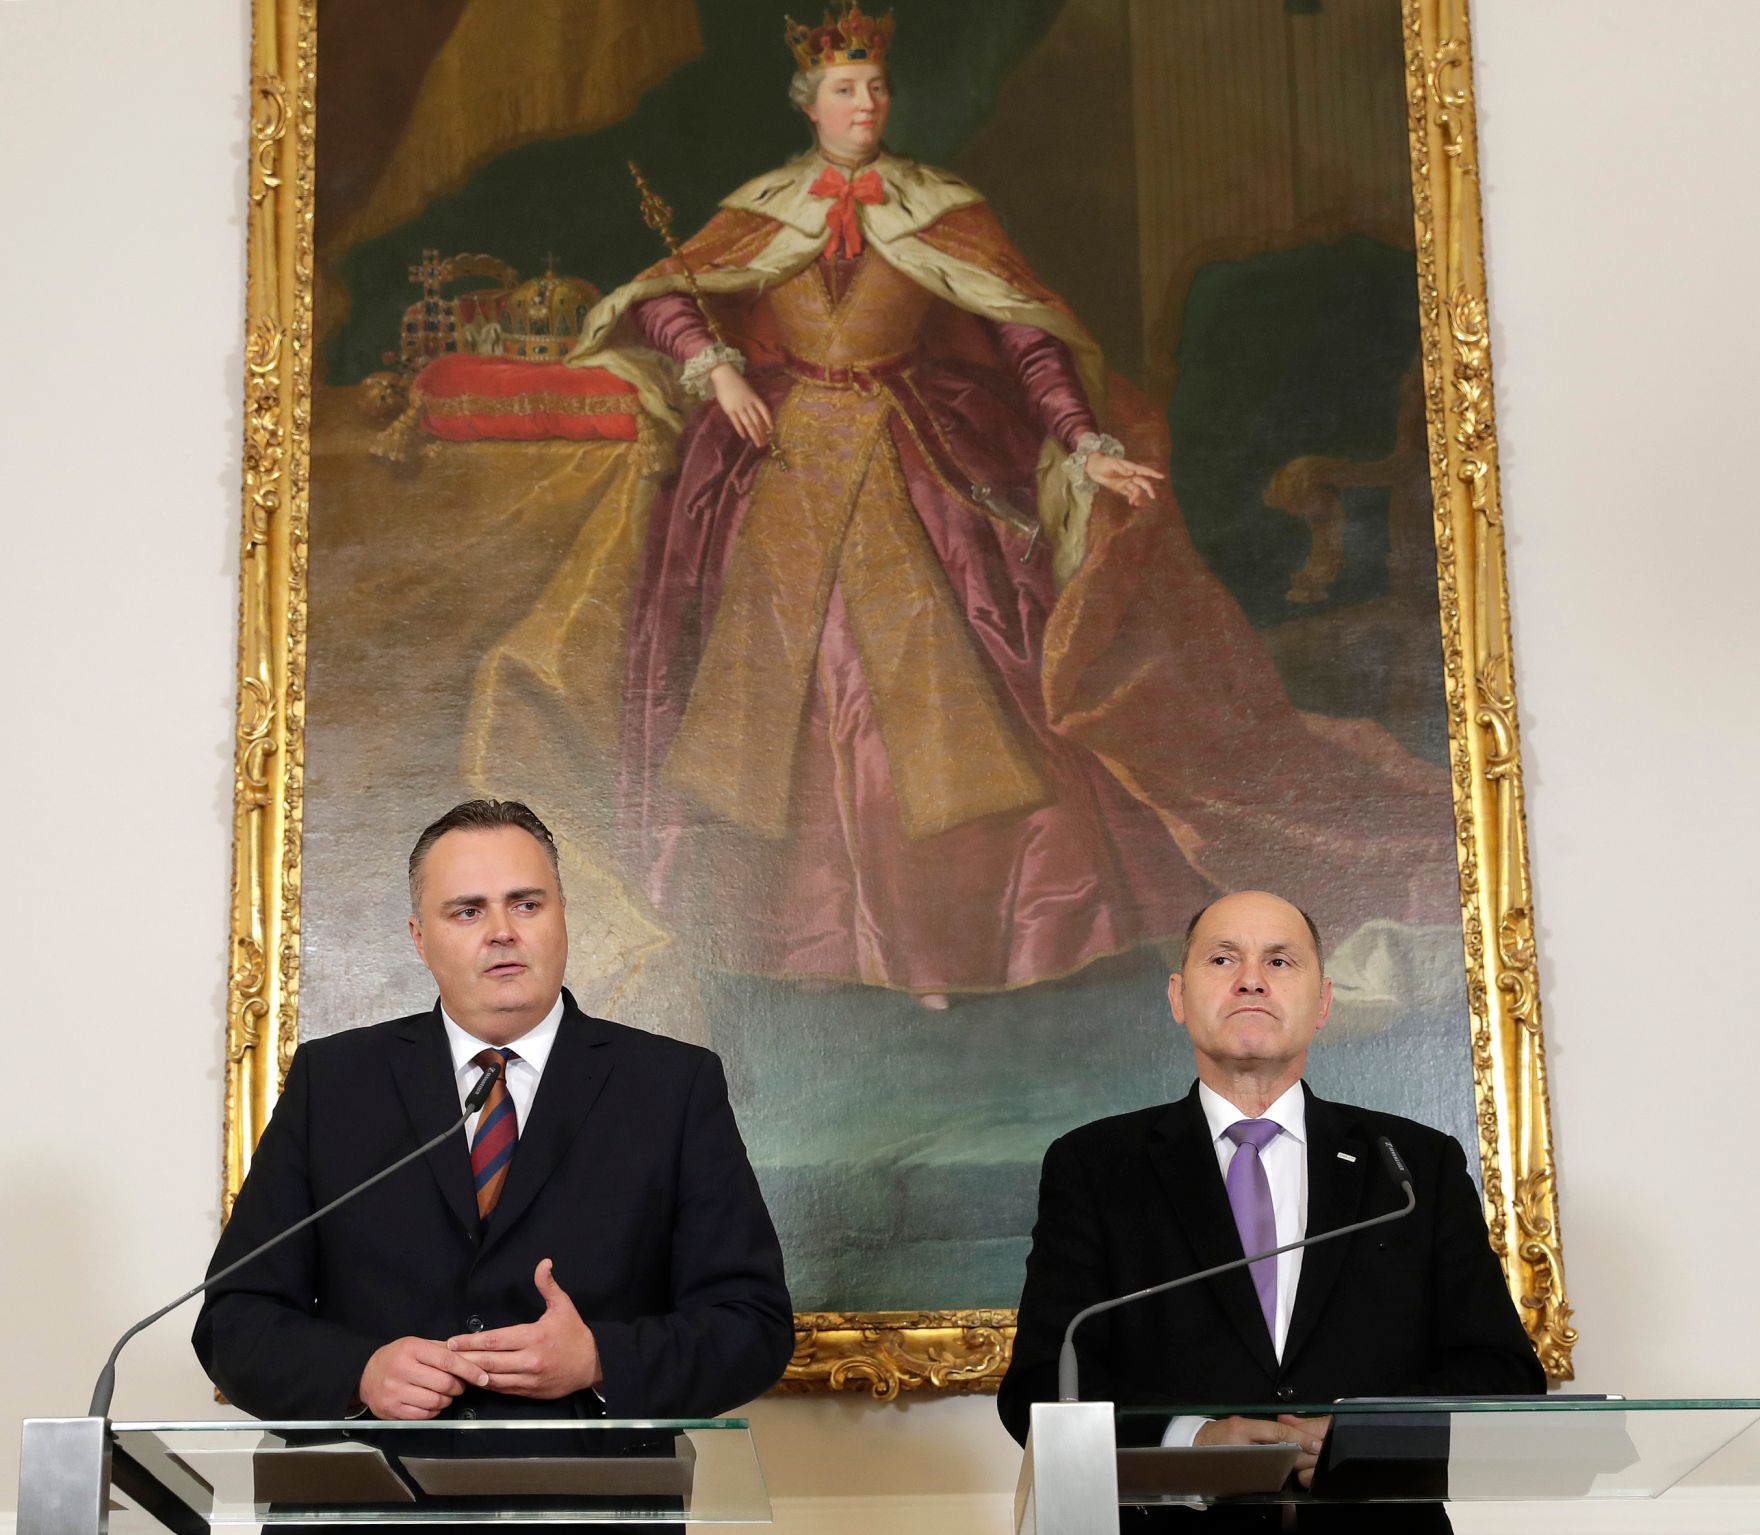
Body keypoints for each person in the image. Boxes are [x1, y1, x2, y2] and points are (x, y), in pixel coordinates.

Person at [517, 3, 1456, 1009]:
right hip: (776, 468)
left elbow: (1027, 339)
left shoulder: (940, 205)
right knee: (783, 688)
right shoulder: (763, 205)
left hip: (914, 461)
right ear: (810, 104)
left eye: (875, 87)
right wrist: (714, 366)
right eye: (845, 88)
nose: (864, 102)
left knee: (940, 687)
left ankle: (945, 941)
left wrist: (1085, 440)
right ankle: (793, 937)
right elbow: (666, 294)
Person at [193, 798, 793, 1444]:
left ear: (563, 918)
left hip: (593, 1503)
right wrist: (360, 1373)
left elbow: (751, 1324)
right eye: (468, 910)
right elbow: (235, 1317)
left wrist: (598, 1359)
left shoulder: (672, 1086)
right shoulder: (335, 1083)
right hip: (366, 1498)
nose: (502, 930)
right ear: (420, 937)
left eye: (527, 904)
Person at [997, 890, 1545, 1531]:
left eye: (1281, 962)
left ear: (1323, 1003)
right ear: (1178, 997)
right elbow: (1042, 1383)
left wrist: (1362, 1434)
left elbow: (1501, 1371)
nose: (1252, 980)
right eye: (1223, 960)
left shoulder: (1413, 1164)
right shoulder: (1094, 1165)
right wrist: (1193, 1439)